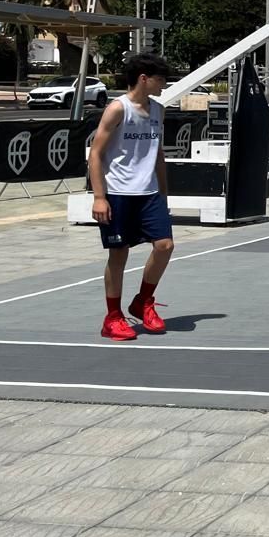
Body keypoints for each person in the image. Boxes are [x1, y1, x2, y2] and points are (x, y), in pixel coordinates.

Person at [88, 52, 174, 341]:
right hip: (117, 193)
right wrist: (99, 197)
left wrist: (163, 192)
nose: (164, 84)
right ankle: (112, 317)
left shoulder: (159, 110)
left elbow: (158, 153)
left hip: (149, 193)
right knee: (119, 254)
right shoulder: (118, 108)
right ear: (143, 78)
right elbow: (95, 154)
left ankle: (143, 302)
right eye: (160, 79)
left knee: (164, 246)